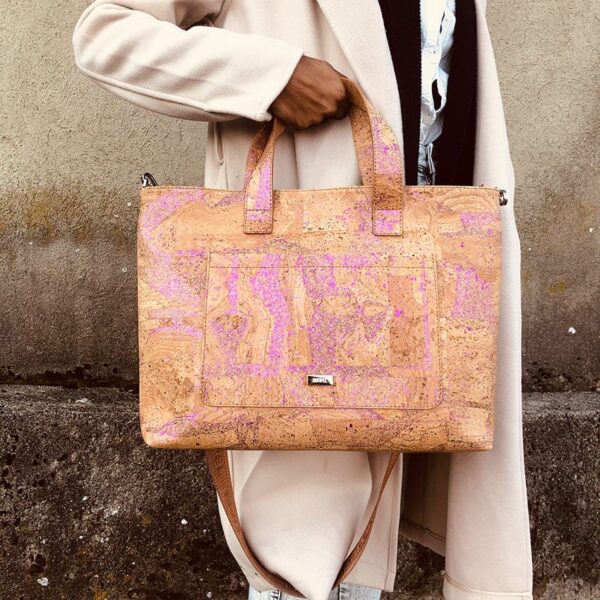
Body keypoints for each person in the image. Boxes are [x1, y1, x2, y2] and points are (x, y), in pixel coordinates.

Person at [72, 1, 533, 599]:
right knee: (313, 557)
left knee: (402, 527)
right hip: (306, 275)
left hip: (434, 265)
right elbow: (107, 35)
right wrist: (272, 75)